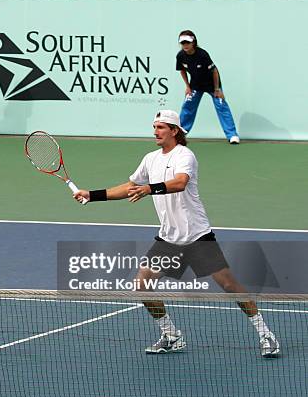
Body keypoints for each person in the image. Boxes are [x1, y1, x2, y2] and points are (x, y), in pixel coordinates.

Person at [73, 110, 279, 358]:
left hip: (196, 236)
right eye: (154, 126)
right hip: (169, 238)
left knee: (229, 285)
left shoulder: (185, 156)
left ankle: (265, 333)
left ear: (174, 130)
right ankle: (171, 335)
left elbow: (180, 183)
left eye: (161, 127)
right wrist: (92, 195)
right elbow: (130, 186)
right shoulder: (150, 159)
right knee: (142, 286)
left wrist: (150, 189)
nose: (155, 131)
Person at [176, 30, 240, 145]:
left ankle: (232, 135)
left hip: (212, 85)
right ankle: (180, 136)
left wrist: (217, 89)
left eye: (187, 42)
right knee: (187, 106)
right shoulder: (180, 56)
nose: (185, 45)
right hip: (195, 85)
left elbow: (214, 71)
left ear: (193, 42)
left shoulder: (202, 54)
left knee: (221, 106)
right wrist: (187, 87)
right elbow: (182, 70)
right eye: (183, 43)